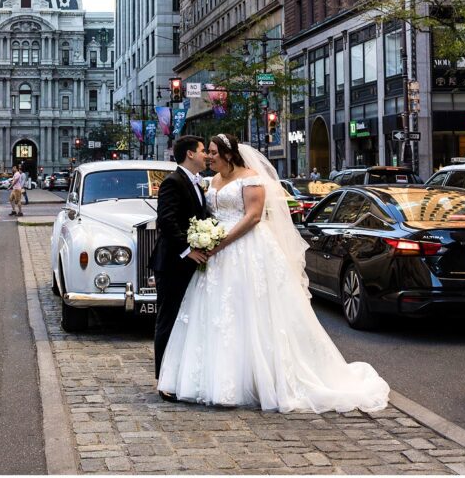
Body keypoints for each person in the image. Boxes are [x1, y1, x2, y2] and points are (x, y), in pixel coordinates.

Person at [158, 133, 389, 414]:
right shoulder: (211, 182)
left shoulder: (252, 177)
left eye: (215, 152)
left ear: (229, 154)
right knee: (220, 316)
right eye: (208, 152)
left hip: (246, 248)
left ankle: (263, 379)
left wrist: (220, 242)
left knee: (255, 313)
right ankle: (217, 379)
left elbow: (253, 217)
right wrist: (206, 240)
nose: (210, 156)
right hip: (216, 257)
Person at [149, 135, 210, 395]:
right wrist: (188, 250)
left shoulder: (196, 182)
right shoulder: (173, 182)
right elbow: (167, 220)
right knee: (168, 320)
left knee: (184, 320)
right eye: (203, 150)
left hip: (187, 264)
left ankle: (179, 375)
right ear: (190, 154)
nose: (207, 154)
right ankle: (164, 380)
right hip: (173, 263)